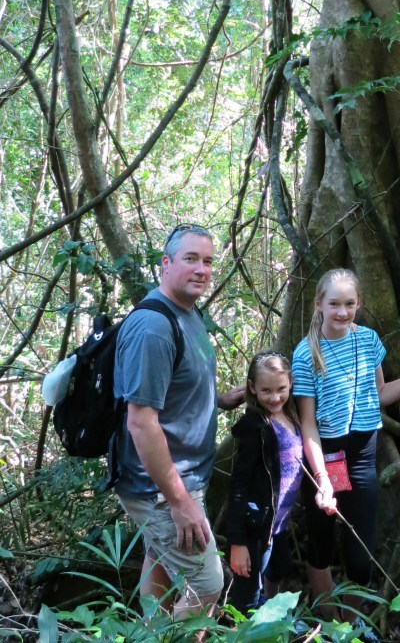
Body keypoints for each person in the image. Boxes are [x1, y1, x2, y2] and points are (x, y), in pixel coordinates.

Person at [113, 224, 244, 622]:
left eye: (207, 261)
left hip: (185, 476)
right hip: (160, 487)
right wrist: (179, 501)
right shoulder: (153, 328)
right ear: (165, 265)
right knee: (207, 585)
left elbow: (175, 388)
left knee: (158, 555)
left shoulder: (190, 314)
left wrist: (219, 400)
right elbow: (141, 423)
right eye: (190, 259)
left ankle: (152, 631)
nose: (202, 269)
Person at [292, 268, 400, 628]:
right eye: (335, 304)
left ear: (359, 304)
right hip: (325, 456)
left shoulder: (368, 340)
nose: (342, 312)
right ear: (319, 305)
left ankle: (349, 621)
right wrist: (323, 478)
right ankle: (327, 622)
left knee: (361, 552)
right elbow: (307, 423)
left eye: (350, 304)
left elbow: (380, 395)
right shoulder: (306, 353)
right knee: (322, 542)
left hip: (362, 456)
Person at [227, 351, 303, 615]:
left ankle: (268, 612)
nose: (274, 397)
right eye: (266, 390)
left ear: (291, 383)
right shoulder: (255, 427)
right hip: (255, 524)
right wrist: (238, 544)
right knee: (245, 594)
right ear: (252, 388)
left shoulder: (292, 415)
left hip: (278, 523)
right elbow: (238, 486)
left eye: (281, 389)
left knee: (280, 567)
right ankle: (242, 627)